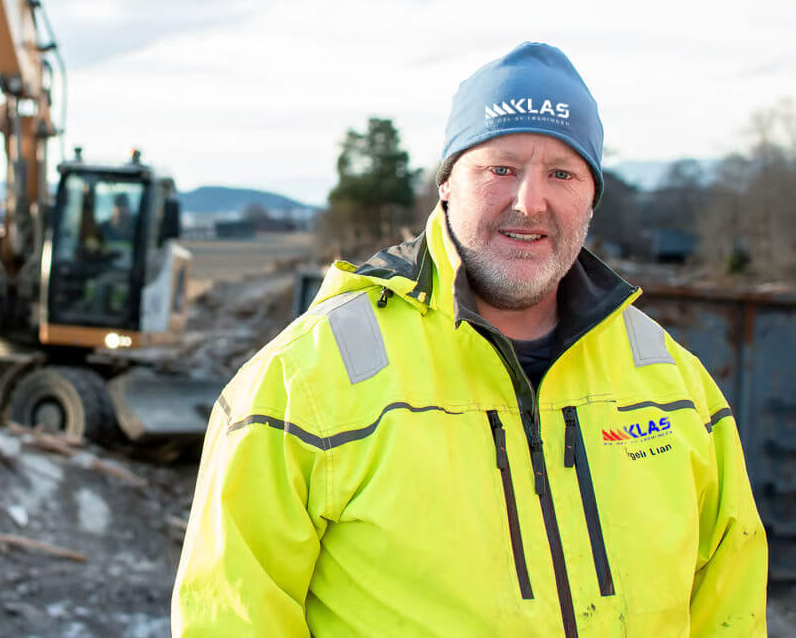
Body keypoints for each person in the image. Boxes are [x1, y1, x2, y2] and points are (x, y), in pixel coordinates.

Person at [172, 43, 767, 635]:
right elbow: (229, 619)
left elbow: (729, 603)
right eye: (500, 169)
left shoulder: (674, 383)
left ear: (591, 198)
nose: (529, 202)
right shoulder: (304, 382)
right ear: (448, 184)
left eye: (562, 173)